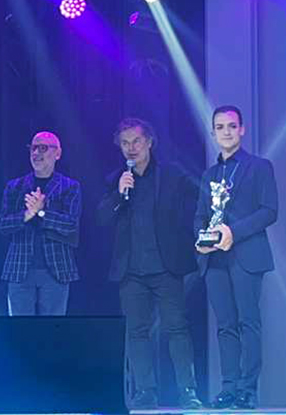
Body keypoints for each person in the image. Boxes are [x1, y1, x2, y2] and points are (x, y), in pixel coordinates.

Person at [96, 118, 202, 410]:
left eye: (136, 141)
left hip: (166, 267)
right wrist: (119, 193)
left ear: (149, 143)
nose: (131, 148)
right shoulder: (116, 179)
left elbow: (202, 197)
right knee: (136, 332)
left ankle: (188, 390)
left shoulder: (171, 174)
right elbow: (101, 218)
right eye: (125, 143)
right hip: (131, 271)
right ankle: (145, 391)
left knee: (177, 329)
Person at [194, 106, 278, 409]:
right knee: (225, 325)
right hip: (215, 259)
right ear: (213, 132)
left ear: (242, 129)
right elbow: (200, 215)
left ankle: (247, 390)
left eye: (231, 126)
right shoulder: (209, 174)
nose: (226, 132)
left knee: (248, 322)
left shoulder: (259, 167)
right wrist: (201, 240)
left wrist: (233, 232)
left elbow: (269, 211)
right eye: (220, 127)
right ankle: (228, 387)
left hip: (246, 255)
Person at [0, 131, 81, 316]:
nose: (36, 153)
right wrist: (27, 215)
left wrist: (41, 212)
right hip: (20, 268)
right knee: (20, 328)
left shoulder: (69, 186)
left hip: (56, 270)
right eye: (33, 148)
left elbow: (70, 225)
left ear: (57, 153)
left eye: (43, 148)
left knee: (52, 329)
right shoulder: (15, 186)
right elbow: (2, 224)